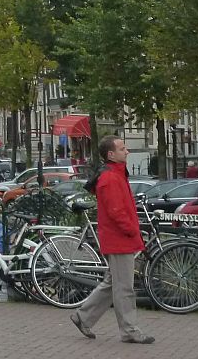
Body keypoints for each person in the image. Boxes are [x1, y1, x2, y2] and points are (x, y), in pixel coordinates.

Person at [71, 135, 155, 345]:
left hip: (119, 238)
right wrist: (131, 231)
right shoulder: (111, 178)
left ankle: (83, 316)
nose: (127, 152)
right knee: (124, 287)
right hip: (120, 239)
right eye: (122, 149)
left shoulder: (115, 175)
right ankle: (129, 330)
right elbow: (116, 211)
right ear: (111, 154)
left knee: (112, 283)